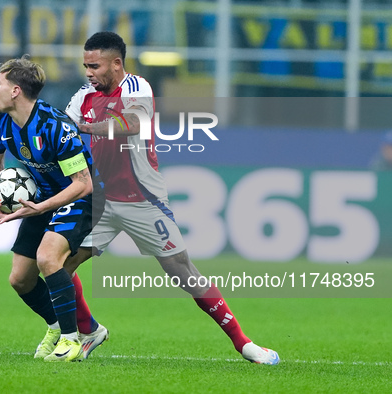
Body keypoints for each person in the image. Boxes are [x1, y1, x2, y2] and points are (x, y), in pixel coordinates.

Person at [64, 31, 280, 365]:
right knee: (60, 266)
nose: (88, 73)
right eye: (85, 66)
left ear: (116, 63)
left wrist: (89, 128)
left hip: (143, 199)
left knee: (183, 272)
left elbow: (133, 122)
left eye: (95, 66)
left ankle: (244, 344)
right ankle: (88, 330)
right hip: (101, 200)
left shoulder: (138, 88)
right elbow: (66, 129)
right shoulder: (83, 96)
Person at [0, 56, 107, 362]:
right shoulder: (0, 120)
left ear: (15, 91)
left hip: (80, 199)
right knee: (20, 279)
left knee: (49, 258)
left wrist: (40, 207)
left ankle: (71, 340)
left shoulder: (56, 127)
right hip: (43, 200)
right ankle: (60, 326)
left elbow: (83, 183)